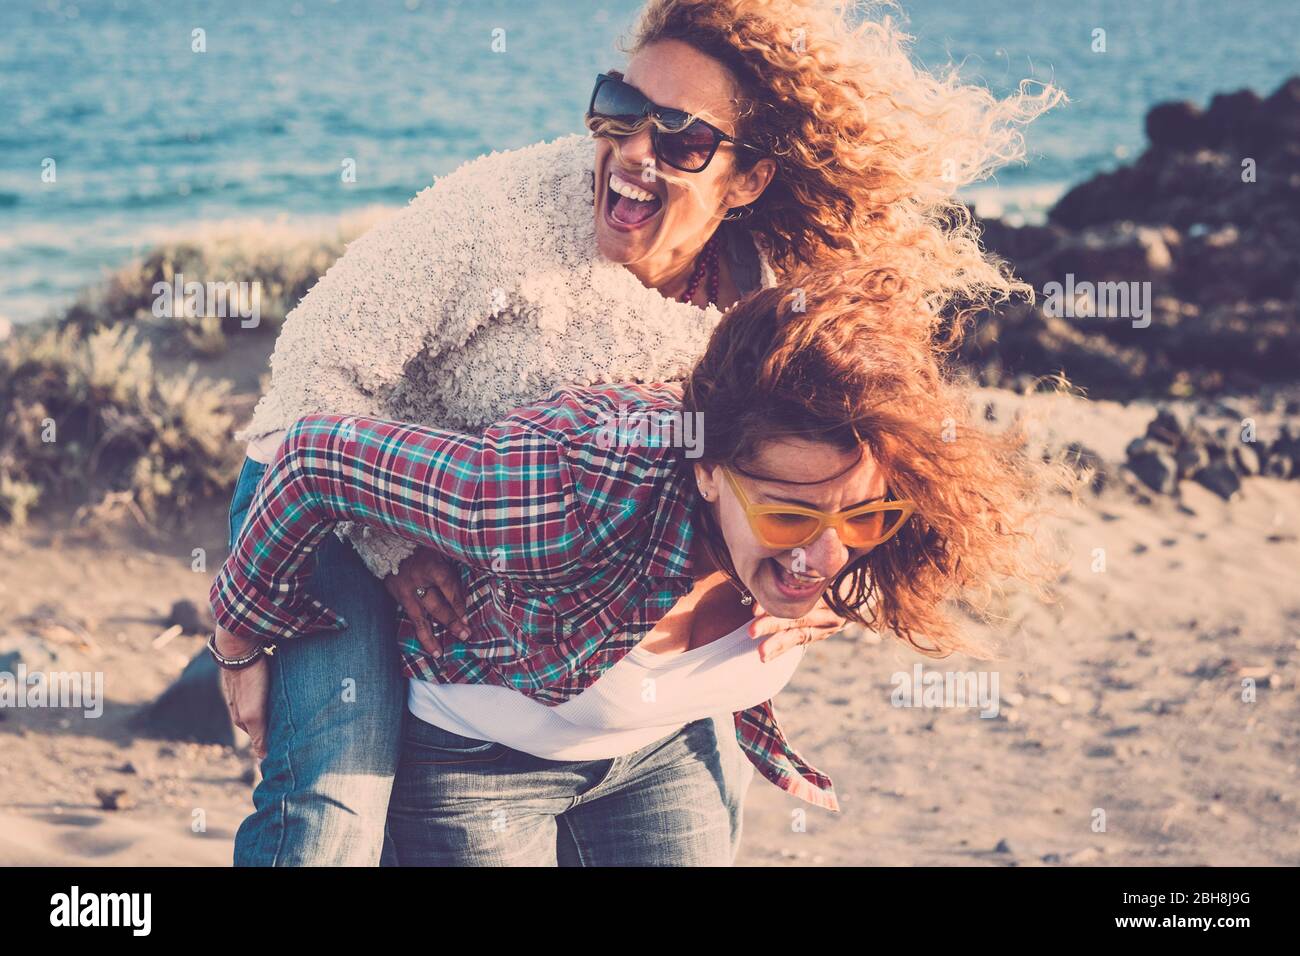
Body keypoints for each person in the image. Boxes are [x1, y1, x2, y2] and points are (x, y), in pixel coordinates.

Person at [217, 0, 1060, 865]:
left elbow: (857, 459)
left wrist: (817, 577)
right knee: (330, 814)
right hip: (342, 494)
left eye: (681, 138)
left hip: (534, 561)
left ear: (748, 178)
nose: (632, 153)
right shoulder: (497, 217)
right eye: (619, 110)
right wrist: (391, 548)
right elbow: (308, 392)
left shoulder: (784, 289)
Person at [212, 265, 1056, 865]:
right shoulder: (553, 498)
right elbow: (312, 457)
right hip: (475, 759)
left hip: (663, 753)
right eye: (790, 513)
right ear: (705, 469)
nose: (824, 557)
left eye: (861, 515)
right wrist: (241, 637)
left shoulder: (858, 530)